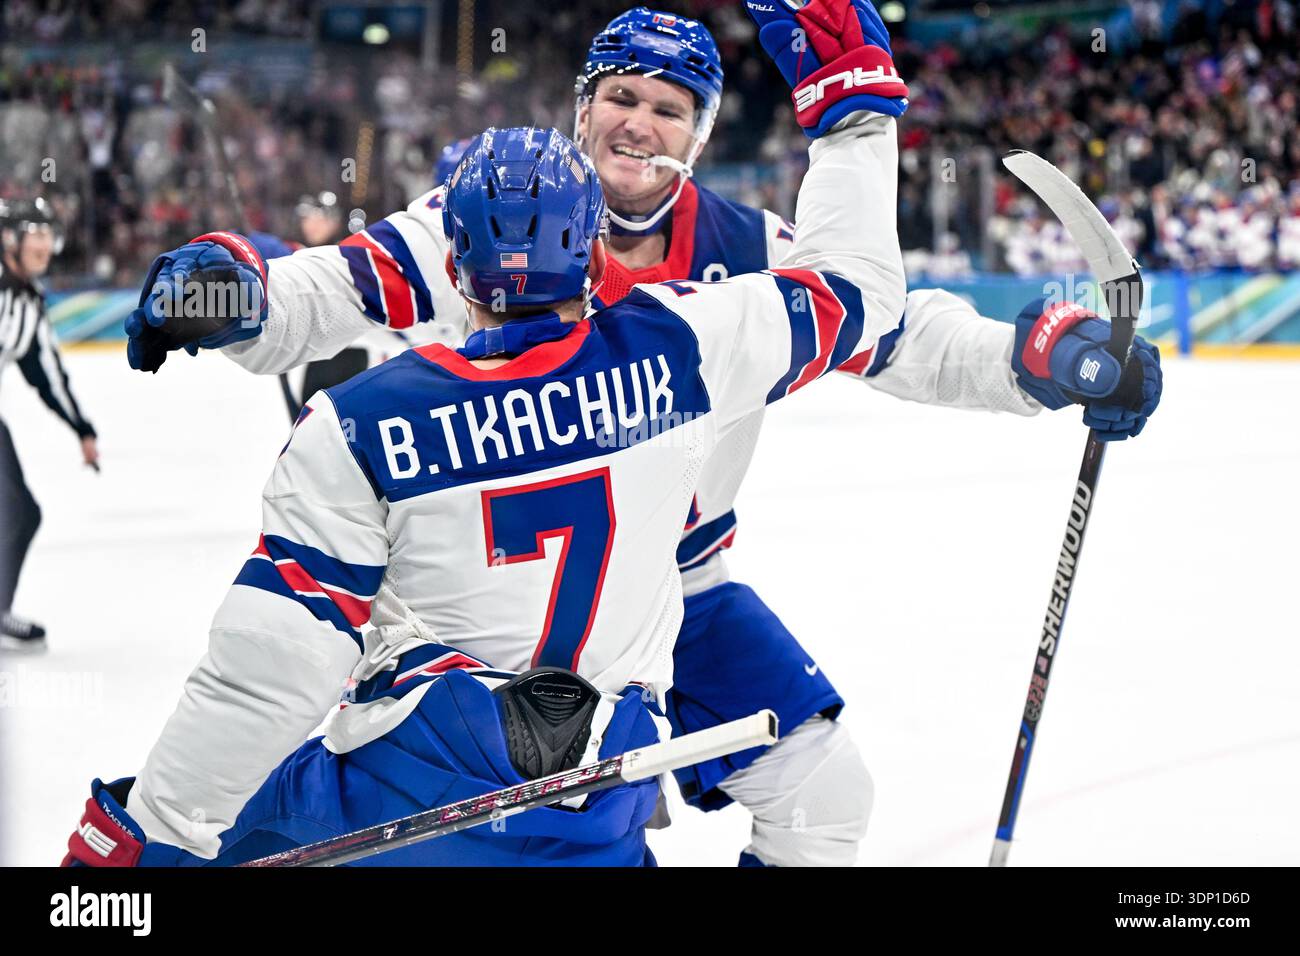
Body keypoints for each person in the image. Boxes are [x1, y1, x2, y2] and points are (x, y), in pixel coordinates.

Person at [118, 1, 1162, 865]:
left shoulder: (745, 246)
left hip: (677, 586)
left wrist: (1034, 360)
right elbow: (333, 286)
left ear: (700, 133)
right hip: (478, 611)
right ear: (583, 107)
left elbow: (889, 333)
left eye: (669, 108)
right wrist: (240, 291)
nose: (638, 123)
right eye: (620, 95)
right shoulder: (475, 220)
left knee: (822, 788)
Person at [0, 197, 99, 652]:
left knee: (20, 513)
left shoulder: (29, 303)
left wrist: (81, 427)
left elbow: (47, 375)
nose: (45, 244)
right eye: (34, 233)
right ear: (10, 240)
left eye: (48, 235)